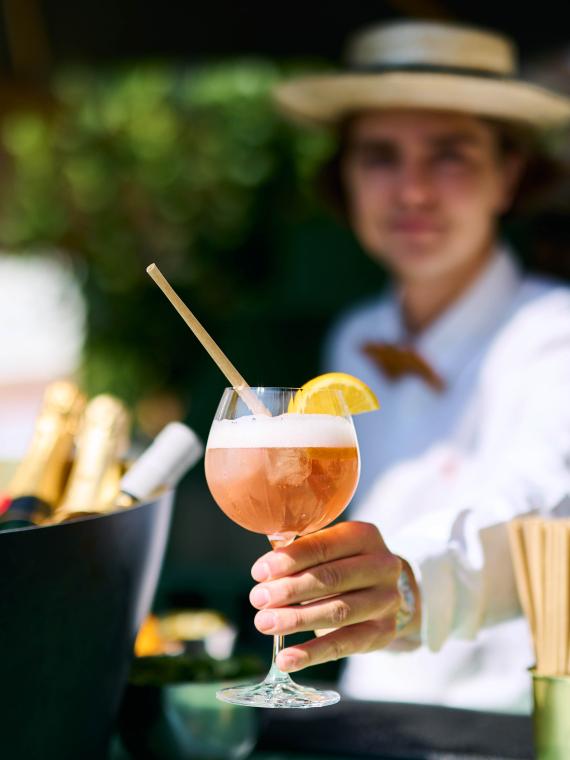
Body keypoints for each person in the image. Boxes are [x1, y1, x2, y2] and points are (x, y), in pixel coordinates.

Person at [247, 20, 570, 713]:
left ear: (508, 175)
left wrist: (408, 581)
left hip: (507, 725)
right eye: (380, 157)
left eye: (450, 155)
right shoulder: (356, 337)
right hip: (358, 708)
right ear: (347, 178)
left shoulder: (557, 333)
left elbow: (546, 506)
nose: (413, 192)